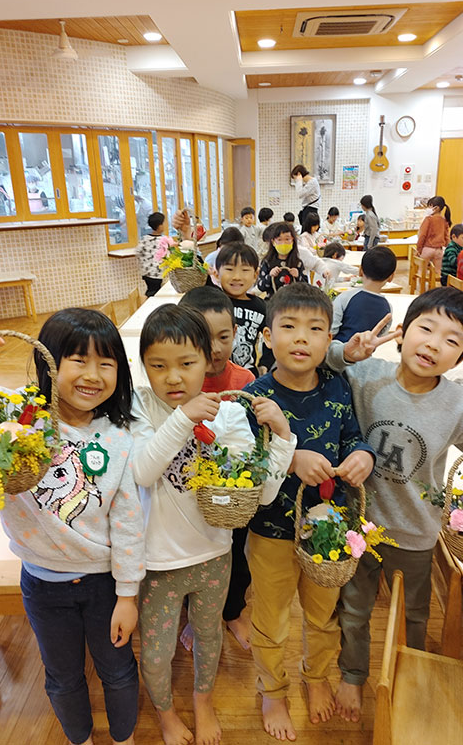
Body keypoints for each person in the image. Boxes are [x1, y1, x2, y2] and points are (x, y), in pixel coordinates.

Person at [326, 288, 463, 724]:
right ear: (403, 331)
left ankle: (411, 672)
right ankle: (352, 674)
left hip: (415, 531)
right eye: (426, 328)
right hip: (358, 524)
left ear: (461, 357)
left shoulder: (459, 405)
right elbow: (318, 366)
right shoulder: (366, 374)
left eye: (451, 340)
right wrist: (345, 353)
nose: (433, 344)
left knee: (415, 614)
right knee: (353, 608)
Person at [0, 310, 145, 745]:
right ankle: (79, 738)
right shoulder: (17, 412)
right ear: (49, 363)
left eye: (106, 363)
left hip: (103, 584)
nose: (93, 375)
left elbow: (128, 523)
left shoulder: (119, 437)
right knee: (62, 677)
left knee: (118, 670)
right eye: (78, 360)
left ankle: (124, 738)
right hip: (42, 585)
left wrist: (128, 595)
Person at [131, 304, 296, 745]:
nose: (173, 377)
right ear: (143, 365)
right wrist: (185, 418)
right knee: (157, 651)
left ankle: (203, 702)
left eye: (186, 363)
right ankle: (166, 714)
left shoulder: (228, 415)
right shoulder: (140, 407)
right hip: (158, 562)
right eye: (158, 365)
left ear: (207, 361)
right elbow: (143, 471)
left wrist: (282, 439)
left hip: (214, 556)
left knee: (208, 637)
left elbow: (260, 495)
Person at [243, 282, 375, 742]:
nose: (302, 337)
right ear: (267, 336)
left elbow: (352, 435)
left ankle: (316, 676)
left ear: (329, 340)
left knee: (323, 615)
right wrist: (290, 457)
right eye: (289, 327)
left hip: (328, 533)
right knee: (271, 618)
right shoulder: (255, 397)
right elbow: (244, 466)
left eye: (315, 329)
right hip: (270, 531)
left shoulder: (338, 386)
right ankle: (273, 690)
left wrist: (363, 455)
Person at [178, 287, 256, 653]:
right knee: (192, 559)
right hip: (187, 492)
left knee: (236, 555)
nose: (214, 348)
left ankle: (233, 611)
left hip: (233, 493)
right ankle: (196, 616)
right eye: (202, 338)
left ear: (235, 333)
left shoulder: (245, 382)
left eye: (223, 337)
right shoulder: (178, 384)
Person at [216, 242, 267, 376]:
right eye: (229, 269)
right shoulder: (212, 302)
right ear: (216, 273)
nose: (237, 277)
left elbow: (273, 337)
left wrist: (265, 363)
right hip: (216, 376)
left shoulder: (260, 307)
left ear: (255, 275)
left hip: (247, 376)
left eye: (245, 270)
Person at [330, 246, 396, 342]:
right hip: (367, 351)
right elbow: (380, 337)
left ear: (360, 271)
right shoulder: (388, 308)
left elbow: (331, 330)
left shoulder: (345, 297)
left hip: (339, 349)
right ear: (391, 277)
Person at [257, 222, 307, 298]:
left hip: (293, 302)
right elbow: (261, 287)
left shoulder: (298, 263)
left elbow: (306, 288)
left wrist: (298, 276)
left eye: (287, 239)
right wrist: (270, 276)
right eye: (279, 240)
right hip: (273, 301)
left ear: (293, 241)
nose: (283, 243)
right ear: (273, 242)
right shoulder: (267, 262)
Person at [416, 196, 452, 272]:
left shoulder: (428, 219)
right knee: (437, 273)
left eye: (430, 206)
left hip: (427, 249)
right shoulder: (444, 221)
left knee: (422, 272)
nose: (428, 208)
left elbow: (422, 235)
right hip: (439, 250)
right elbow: (447, 237)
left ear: (436, 208)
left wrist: (419, 249)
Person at [135, 211, 166, 297]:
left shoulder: (144, 238)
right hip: (157, 273)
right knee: (155, 292)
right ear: (159, 226)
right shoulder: (163, 240)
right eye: (163, 223)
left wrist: (144, 263)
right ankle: (150, 304)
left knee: (151, 290)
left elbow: (138, 251)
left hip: (146, 273)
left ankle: (148, 301)